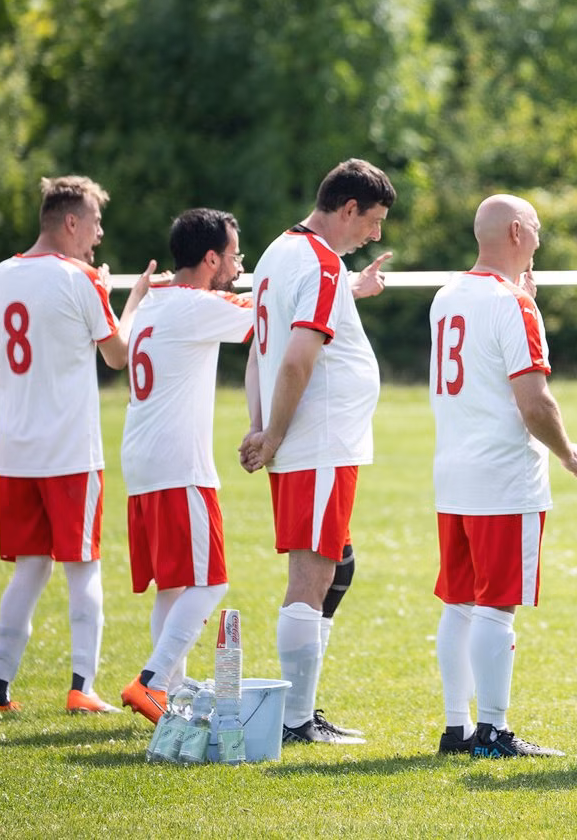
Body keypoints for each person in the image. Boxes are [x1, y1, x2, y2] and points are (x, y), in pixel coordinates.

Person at [0, 176, 152, 715]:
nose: (98, 235)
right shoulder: (82, 279)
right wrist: (132, 299)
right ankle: (82, 685)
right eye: (95, 223)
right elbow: (118, 356)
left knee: (29, 567)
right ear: (71, 222)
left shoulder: (1, 275)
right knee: (83, 567)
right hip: (69, 449)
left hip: (14, 446)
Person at [239, 159, 395, 746]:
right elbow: (296, 356)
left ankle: (300, 711)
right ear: (348, 208)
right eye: (373, 221)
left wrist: (262, 427)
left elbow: (262, 347)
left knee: (336, 567)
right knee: (314, 571)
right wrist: (273, 434)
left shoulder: (280, 252)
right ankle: (294, 719)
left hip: (308, 439)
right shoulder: (323, 264)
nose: (375, 235)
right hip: (318, 439)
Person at [427, 195, 577, 759]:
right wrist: (567, 452)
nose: (540, 241)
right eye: (537, 230)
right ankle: (493, 730)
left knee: (458, 603)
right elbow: (533, 402)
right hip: (501, 475)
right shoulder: (513, 306)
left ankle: (457, 726)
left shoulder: (447, 295)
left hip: (452, 473)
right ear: (517, 231)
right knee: (496, 605)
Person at [115, 209, 254, 722]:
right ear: (210, 257)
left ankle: (169, 697)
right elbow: (273, 314)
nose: (238, 264)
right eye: (233, 254)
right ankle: (152, 682)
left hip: (144, 458)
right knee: (211, 582)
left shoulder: (157, 301)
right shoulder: (197, 304)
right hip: (178, 463)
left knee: (173, 587)